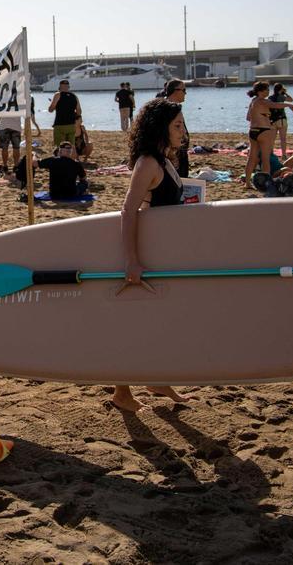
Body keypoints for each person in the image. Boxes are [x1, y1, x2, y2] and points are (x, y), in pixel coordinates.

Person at [113, 97, 191, 412]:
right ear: (160, 128)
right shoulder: (148, 162)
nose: (182, 130)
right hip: (147, 255)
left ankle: (157, 380)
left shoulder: (164, 160)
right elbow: (128, 210)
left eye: (183, 124)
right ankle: (121, 392)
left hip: (163, 252)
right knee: (136, 324)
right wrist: (131, 260)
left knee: (160, 321)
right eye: (176, 125)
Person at [244, 81, 293, 188]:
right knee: (265, 158)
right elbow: (275, 105)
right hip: (263, 130)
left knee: (252, 158)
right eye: (267, 89)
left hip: (253, 131)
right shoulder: (262, 101)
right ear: (260, 91)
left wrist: (261, 115)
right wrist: (289, 105)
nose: (268, 91)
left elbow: (248, 117)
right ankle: (266, 184)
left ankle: (247, 183)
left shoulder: (253, 101)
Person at [161, 79, 190, 176]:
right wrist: (172, 154)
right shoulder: (167, 108)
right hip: (174, 154)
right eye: (184, 90)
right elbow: (164, 133)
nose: (185, 93)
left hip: (180, 152)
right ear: (175, 91)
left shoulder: (175, 107)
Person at [47, 79, 81, 145]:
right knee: (71, 147)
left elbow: (50, 110)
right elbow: (79, 111)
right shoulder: (74, 96)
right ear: (68, 87)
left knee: (59, 146)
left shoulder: (58, 94)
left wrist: (55, 105)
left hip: (60, 124)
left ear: (60, 87)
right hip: (71, 124)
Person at [268, 83, 293, 158]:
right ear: (281, 89)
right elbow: (291, 100)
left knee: (272, 139)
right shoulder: (282, 97)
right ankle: (284, 154)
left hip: (273, 119)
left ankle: (271, 153)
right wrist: (285, 93)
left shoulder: (270, 97)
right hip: (282, 119)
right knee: (283, 138)